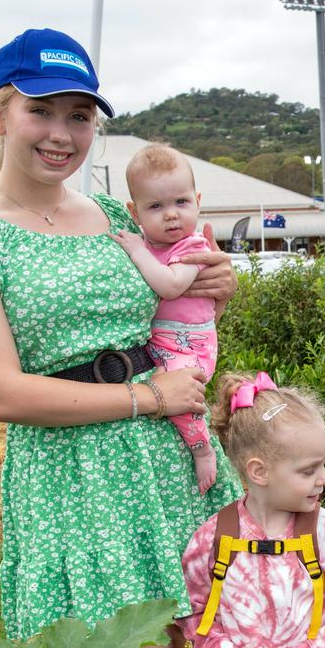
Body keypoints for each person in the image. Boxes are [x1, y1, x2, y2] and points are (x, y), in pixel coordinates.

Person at [0, 28, 243, 648]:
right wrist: (153, 399)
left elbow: (167, 318)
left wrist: (214, 293)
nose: (61, 132)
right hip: (79, 475)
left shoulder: (117, 214)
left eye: (79, 116)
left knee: (188, 645)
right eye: (41, 110)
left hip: (166, 458)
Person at [180, 372, 325, 648]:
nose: (323, 479)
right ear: (260, 472)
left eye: (323, 465)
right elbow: (194, 610)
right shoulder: (213, 538)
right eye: (308, 470)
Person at [110, 144, 219, 492]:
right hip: (161, 339)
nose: (171, 215)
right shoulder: (149, 243)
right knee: (158, 388)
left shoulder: (193, 247)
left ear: (197, 201)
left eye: (181, 203)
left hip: (192, 343)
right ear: (135, 212)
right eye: (156, 206)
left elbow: (170, 286)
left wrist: (138, 252)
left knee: (180, 395)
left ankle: (202, 448)